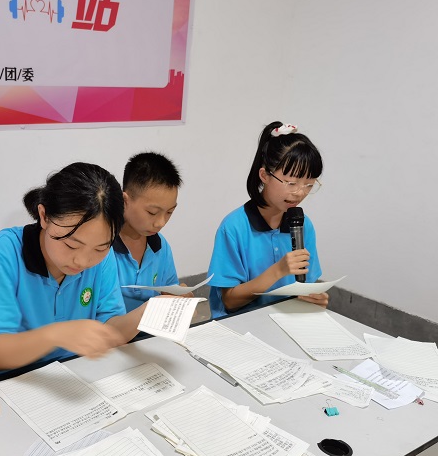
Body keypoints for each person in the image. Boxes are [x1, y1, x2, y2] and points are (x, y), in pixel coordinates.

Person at [0, 162, 146, 371]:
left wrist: (145, 315)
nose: (82, 261)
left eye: (100, 248)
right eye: (71, 245)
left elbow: (108, 329)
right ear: (44, 216)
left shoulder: (104, 258)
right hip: (0, 379)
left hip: (69, 371)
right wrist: (56, 334)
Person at [207, 121, 327, 318]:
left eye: (309, 185)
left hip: (287, 320)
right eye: (291, 183)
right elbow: (229, 301)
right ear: (264, 175)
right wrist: (278, 271)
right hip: (241, 325)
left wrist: (314, 298)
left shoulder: (303, 225)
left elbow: (306, 285)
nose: (300, 193)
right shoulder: (234, 227)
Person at [114, 152, 189, 312]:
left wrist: (179, 297)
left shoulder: (160, 247)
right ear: (125, 201)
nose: (161, 222)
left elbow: (169, 288)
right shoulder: (102, 247)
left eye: (169, 212)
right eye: (152, 212)